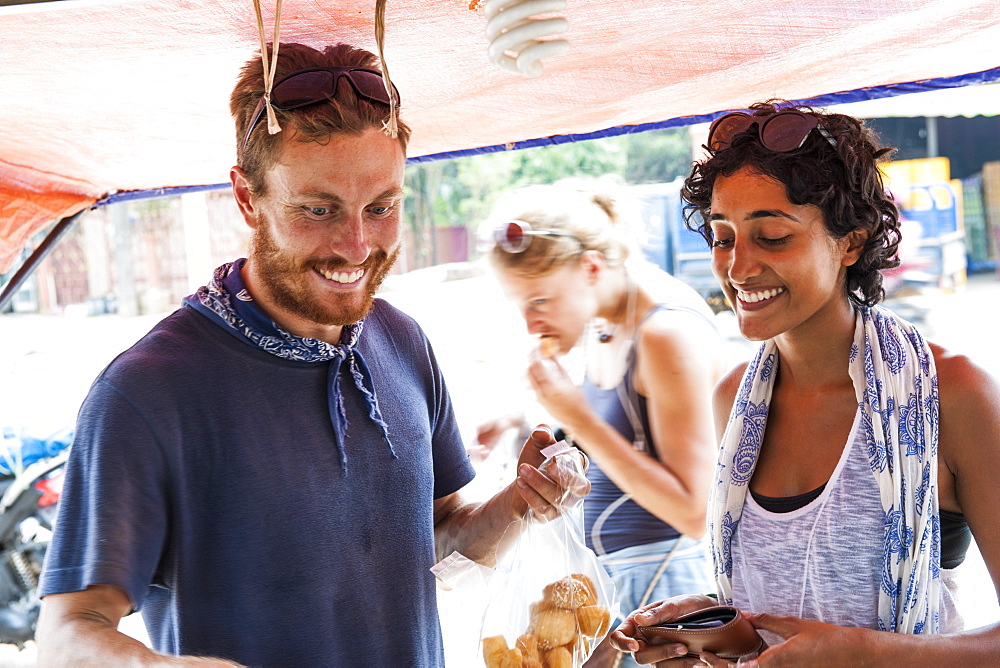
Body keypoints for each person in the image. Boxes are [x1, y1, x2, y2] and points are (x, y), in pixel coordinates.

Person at [34, 42, 581, 667]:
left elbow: (438, 547)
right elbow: (67, 632)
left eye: (382, 207)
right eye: (318, 210)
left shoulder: (403, 343)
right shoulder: (149, 391)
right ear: (247, 198)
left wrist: (520, 501)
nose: (355, 245)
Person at [609, 101, 1000, 666]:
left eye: (771, 236)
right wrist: (727, 632)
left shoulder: (950, 392)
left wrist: (867, 654)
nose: (738, 267)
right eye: (723, 237)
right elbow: (784, 622)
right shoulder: (735, 401)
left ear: (852, 243)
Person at [483, 181, 728, 667]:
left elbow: (695, 511)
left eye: (540, 302)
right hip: (617, 597)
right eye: (521, 306)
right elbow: (630, 444)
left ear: (591, 268)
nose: (532, 324)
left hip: (668, 599)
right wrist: (534, 426)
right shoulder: (607, 321)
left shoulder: (665, 334)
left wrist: (579, 418)